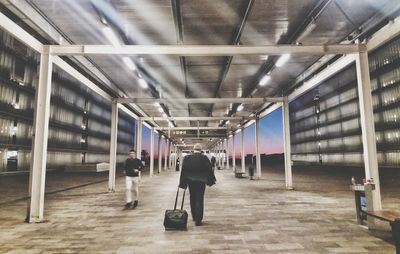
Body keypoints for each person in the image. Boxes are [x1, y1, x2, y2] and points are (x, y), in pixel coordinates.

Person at [179, 143, 216, 226]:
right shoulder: (204, 158)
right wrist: (211, 180)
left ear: (193, 149)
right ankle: (198, 220)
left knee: (192, 198)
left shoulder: (187, 158)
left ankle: (194, 216)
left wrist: (183, 183)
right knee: (199, 198)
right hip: (201, 182)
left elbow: (184, 171)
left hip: (191, 182)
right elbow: (209, 169)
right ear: (201, 150)